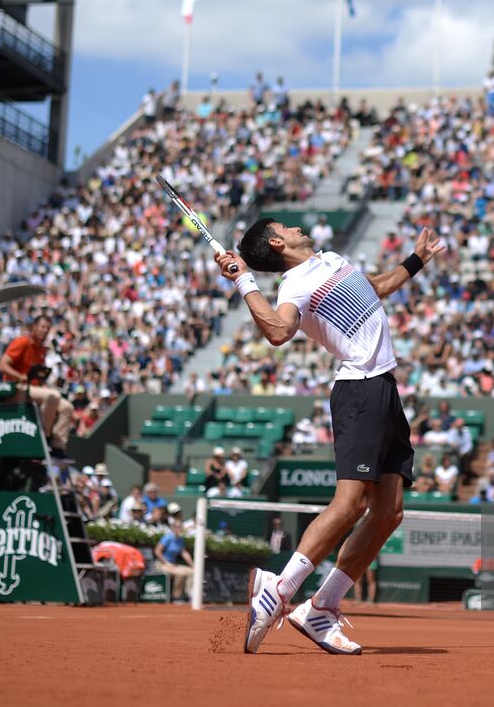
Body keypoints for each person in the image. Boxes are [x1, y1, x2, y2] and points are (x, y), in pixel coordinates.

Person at [222, 217, 445, 655]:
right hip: (359, 390)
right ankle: (279, 589)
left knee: (389, 512)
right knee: (351, 504)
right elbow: (279, 331)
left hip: (385, 389)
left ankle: (321, 607)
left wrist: (417, 260)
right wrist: (244, 281)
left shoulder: (332, 260)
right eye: (286, 227)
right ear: (277, 242)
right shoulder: (294, 287)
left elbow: (377, 287)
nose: (296, 227)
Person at [0, 315, 74, 456]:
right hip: (15, 387)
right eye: (42, 327)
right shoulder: (22, 342)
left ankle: (58, 447)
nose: (45, 330)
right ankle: (42, 436)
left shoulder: (42, 349)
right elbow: (2, 365)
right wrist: (20, 376)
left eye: (47, 328)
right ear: (34, 327)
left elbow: (36, 375)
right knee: (53, 396)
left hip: (32, 389)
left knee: (67, 407)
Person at [154, 517, 195, 603]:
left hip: (173, 565)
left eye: (181, 527)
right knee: (180, 574)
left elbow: (184, 553)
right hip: (162, 564)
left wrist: (193, 565)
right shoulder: (167, 537)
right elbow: (157, 551)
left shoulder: (180, 539)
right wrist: (166, 563)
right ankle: (176, 597)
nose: (180, 529)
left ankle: (190, 595)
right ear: (173, 528)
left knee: (192, 572)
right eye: (178, 527)